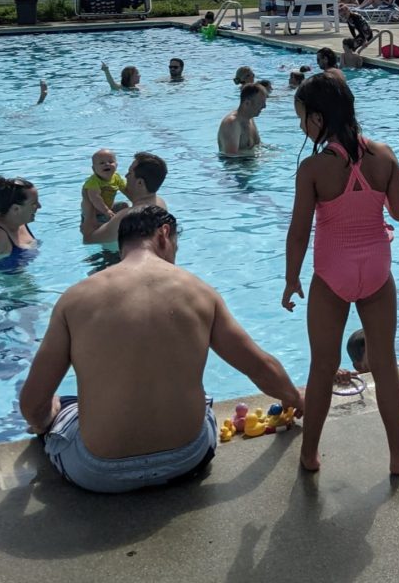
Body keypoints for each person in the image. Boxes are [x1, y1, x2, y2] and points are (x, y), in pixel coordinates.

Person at [20, 205, 304, 494]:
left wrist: (47, 421)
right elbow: (259, 366)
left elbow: (32, 403)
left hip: (98, 472)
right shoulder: (200, 292)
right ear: (164, 234)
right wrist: (295, 398)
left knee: (63, 404)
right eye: (176, 247)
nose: (174, 256)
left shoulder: (76, 299)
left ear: (122, 247)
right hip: (187, 459)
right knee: (200, 396)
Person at [282, 74, 399, 475]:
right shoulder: (383, 155)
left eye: (302, 119)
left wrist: (291, 278)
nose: (301, 127)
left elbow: (299, 232)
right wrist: (388, 181)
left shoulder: (313, 168)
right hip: (377, 271)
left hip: (333, 273)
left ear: (317, 118)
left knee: (322, 366)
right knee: (385, 365)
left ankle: (310, 454)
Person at [81, 152, 168, 246]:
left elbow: (89, 239)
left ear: (139, 183)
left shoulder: (124, 218)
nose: (126, 176)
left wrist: (88, 205)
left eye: (130, 173)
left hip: (114, 257)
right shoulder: (160, 203)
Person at [218, 83, 268, 156]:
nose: (264, 106)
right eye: (260, 102)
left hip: (250, 164)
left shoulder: (250, 119)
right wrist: (258, 155)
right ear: (247, 103)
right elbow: (230, 156)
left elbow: (257, 145)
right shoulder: (232, 123)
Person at [82, 149, 127, 223]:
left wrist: (136, 201)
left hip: (108, 209)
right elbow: (95, 199)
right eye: (102, 163)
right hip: (94, 215)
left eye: (110, 162)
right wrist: (106, 211)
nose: (107, 164)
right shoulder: (93, 182)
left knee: (124, 206)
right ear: (94, 169)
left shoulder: (117, 177)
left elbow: (126, 190)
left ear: (116, 165)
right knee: (113, 223)